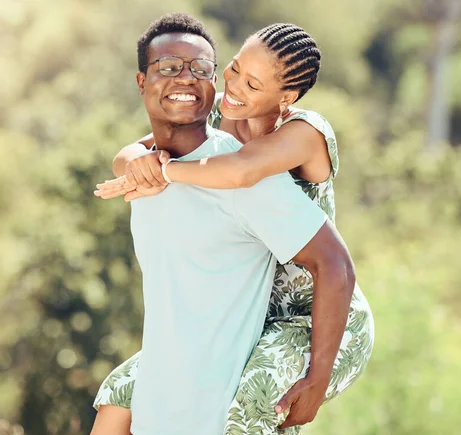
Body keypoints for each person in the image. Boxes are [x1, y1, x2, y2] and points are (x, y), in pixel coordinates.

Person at [92, 13, 374, 435]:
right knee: (121, 392)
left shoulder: (303, 133)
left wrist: (166, 173)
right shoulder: (228, 109)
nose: (235, 88)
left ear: (286, 96)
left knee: (249, 404)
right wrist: (137, 164)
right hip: (257, 308)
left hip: (315, 313)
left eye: (253, 84)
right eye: (234, 70)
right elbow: (148, 144)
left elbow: (240, 173)